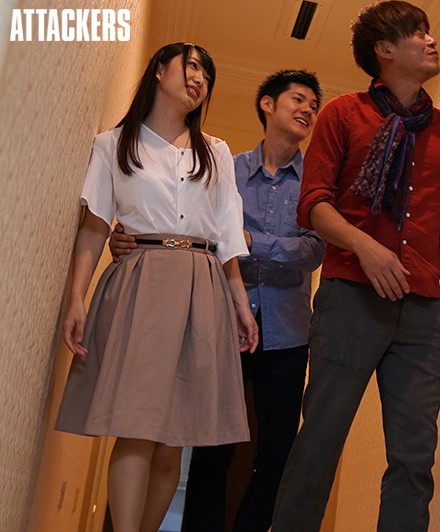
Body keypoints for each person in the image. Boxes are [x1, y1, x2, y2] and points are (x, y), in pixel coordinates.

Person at [270, 2, 440, 530]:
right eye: (417, 32)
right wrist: (365, 246)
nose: (430, 40)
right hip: (349, 298)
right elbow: (313, 203)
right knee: (320, 439)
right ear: (385, 50)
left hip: (424, 310)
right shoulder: (343, 114)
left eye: (428, 31)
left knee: (414, 457)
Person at [109, 70, 325, 531]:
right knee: (210, 448)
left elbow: (313, 250)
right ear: (267, 104)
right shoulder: (224, 166)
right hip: (221, 321)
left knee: (276, 454)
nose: (308, 110)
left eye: (313, 105)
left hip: (287, 334)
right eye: (298, 99)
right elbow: (185, 221)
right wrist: (126, 235)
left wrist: (249, 240)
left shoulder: (316, 183)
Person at [55, 43, 258, 532]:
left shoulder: (217, 152)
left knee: (175, 437)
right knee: (136, 427)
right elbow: (94, 227)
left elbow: (227, 235)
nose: (199, 79)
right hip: (141, 282)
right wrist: (76, 298)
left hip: (202, 285)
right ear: (160, 71)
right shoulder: (113, 144)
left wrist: (240, 305)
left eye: (207, 74)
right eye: (192, 66)